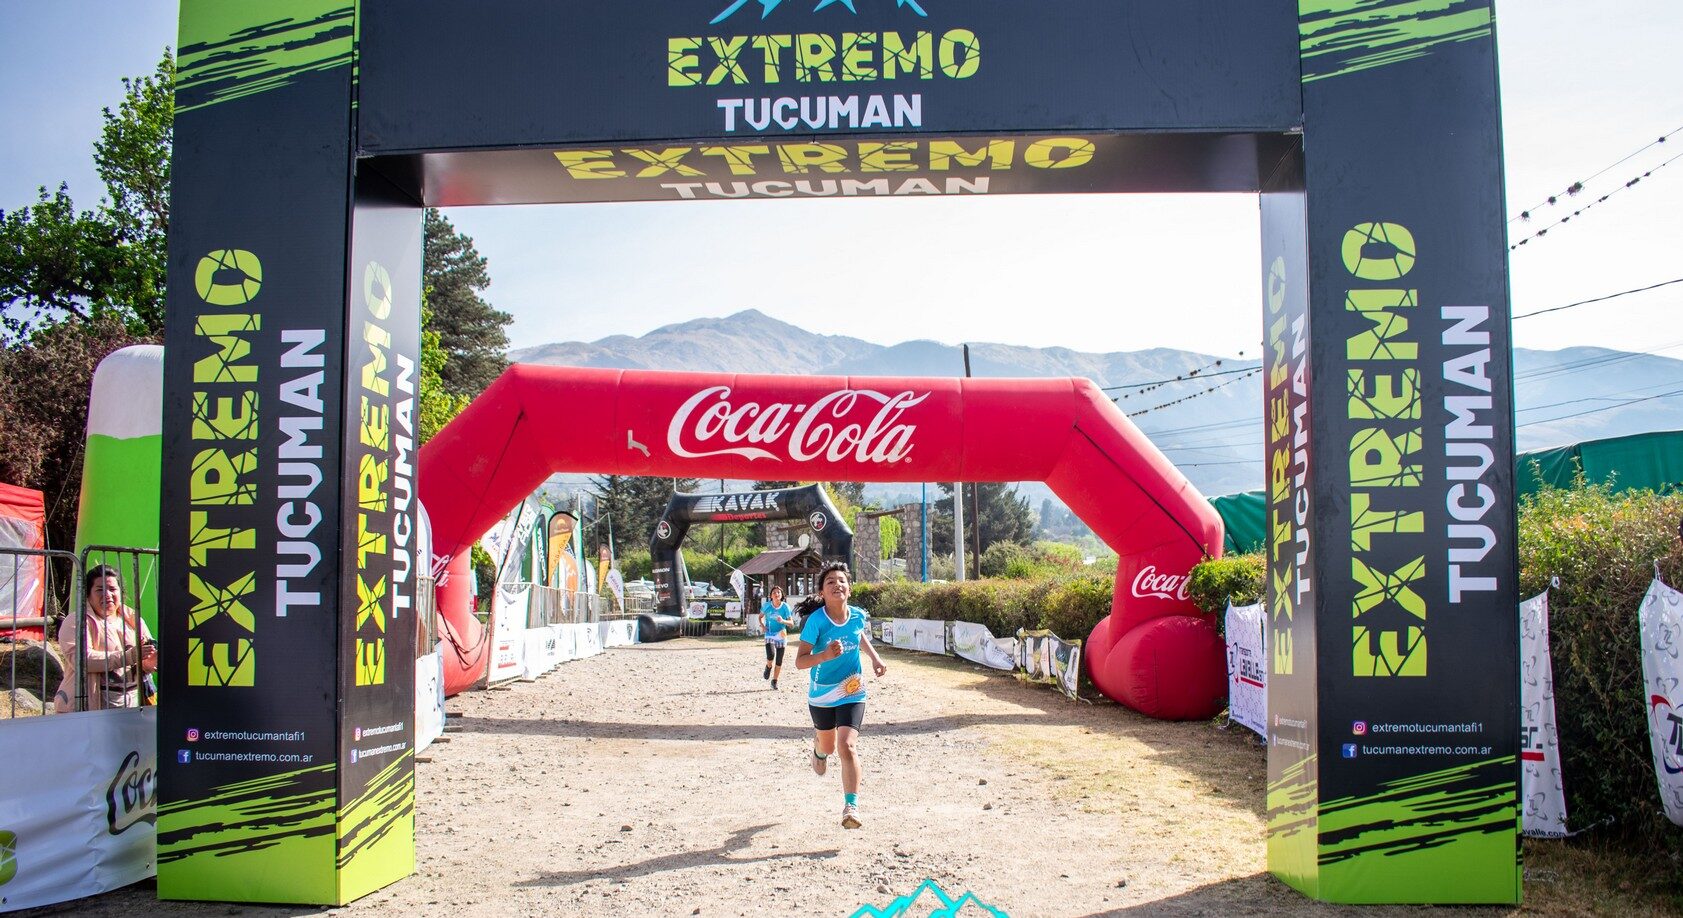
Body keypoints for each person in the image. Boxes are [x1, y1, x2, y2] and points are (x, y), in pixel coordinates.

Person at [794, 562, 887, 829]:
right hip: (822, 693)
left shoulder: (857, 615)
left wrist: (875, 658)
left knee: (847, 746)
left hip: (852, 688)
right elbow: (800, 662)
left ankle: (851, 807)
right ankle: (819, 751)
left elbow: (859, 636)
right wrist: (824, 655)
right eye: (830, 582)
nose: (837, 585)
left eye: (842, 581)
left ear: (850, 588)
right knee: (828, 747)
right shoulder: (816, 621)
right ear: (822, 592)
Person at [54, 565, 157, 712]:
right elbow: (81, 660)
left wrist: (147, 664)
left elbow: (142, 660)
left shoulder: (133, 619)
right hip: (88, 709)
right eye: (100, 590)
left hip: (132, 707)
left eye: (112, 589)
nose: (108, 594)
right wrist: (128, 656)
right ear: (87, 594)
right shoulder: (76, 621)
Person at [760, 585, 796, 689]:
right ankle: (768, 666)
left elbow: (791, 623)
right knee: (771, 655)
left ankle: (774, 681)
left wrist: (783, 621)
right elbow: (760, 617)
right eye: (774, 592)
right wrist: (763, 626)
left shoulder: (785, 607)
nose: (776, 594)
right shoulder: (767, 606)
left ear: (781, 595)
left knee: (779, 660)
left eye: (778, 592)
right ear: (771, 596)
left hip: (781, 634)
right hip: (769, 633)